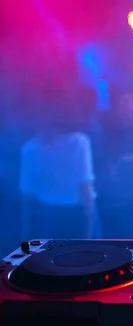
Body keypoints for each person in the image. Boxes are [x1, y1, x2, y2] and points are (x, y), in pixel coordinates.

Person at [20, 81, 97, 239]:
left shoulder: (30, 148)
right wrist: (91, 228)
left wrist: (24, 234)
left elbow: (27, 196)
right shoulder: (78, 142)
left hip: (45, 217)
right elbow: (85, 189)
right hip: (74, 216)